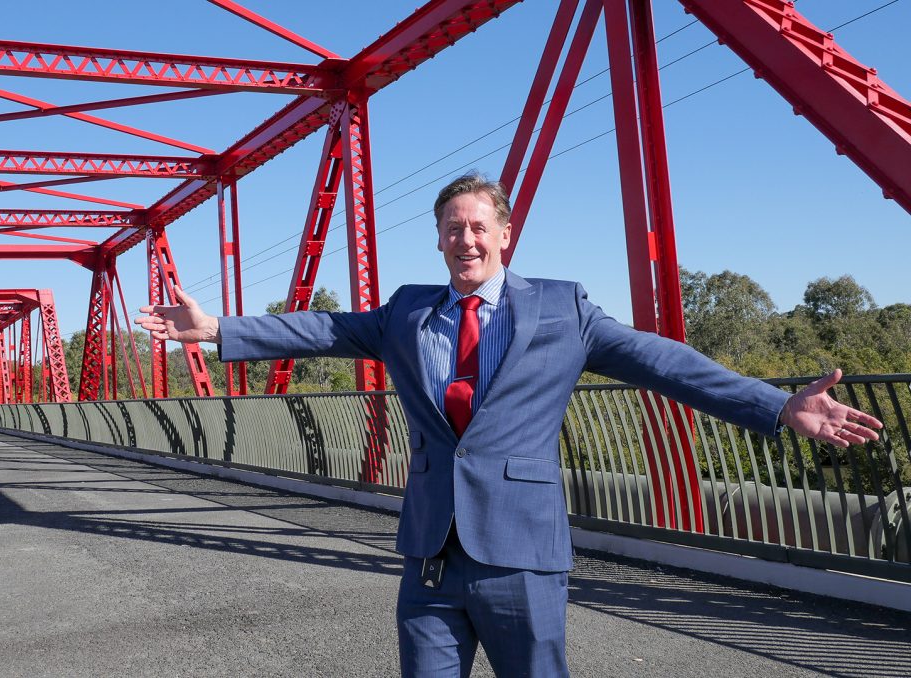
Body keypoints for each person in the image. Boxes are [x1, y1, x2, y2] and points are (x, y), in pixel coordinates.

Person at [135, 174, 882, 677]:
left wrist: (777, 406)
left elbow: (663, 363)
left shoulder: (563, 309)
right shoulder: (405, 312)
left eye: (478, 226)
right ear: (437, 240)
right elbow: (323, 329)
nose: (466, 239)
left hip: (521, 555)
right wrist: (218, 330)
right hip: (430, 556)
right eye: (452, 228)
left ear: (505, 235)